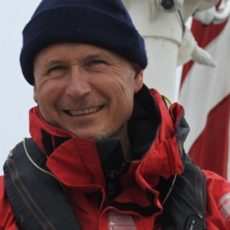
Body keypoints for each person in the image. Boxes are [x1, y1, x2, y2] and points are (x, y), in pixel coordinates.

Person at [0, 0, 230, 229]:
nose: (77, 88)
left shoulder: (219, 207)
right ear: (35, 88)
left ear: (137, 75)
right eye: (56, 69)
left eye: (95, 63)